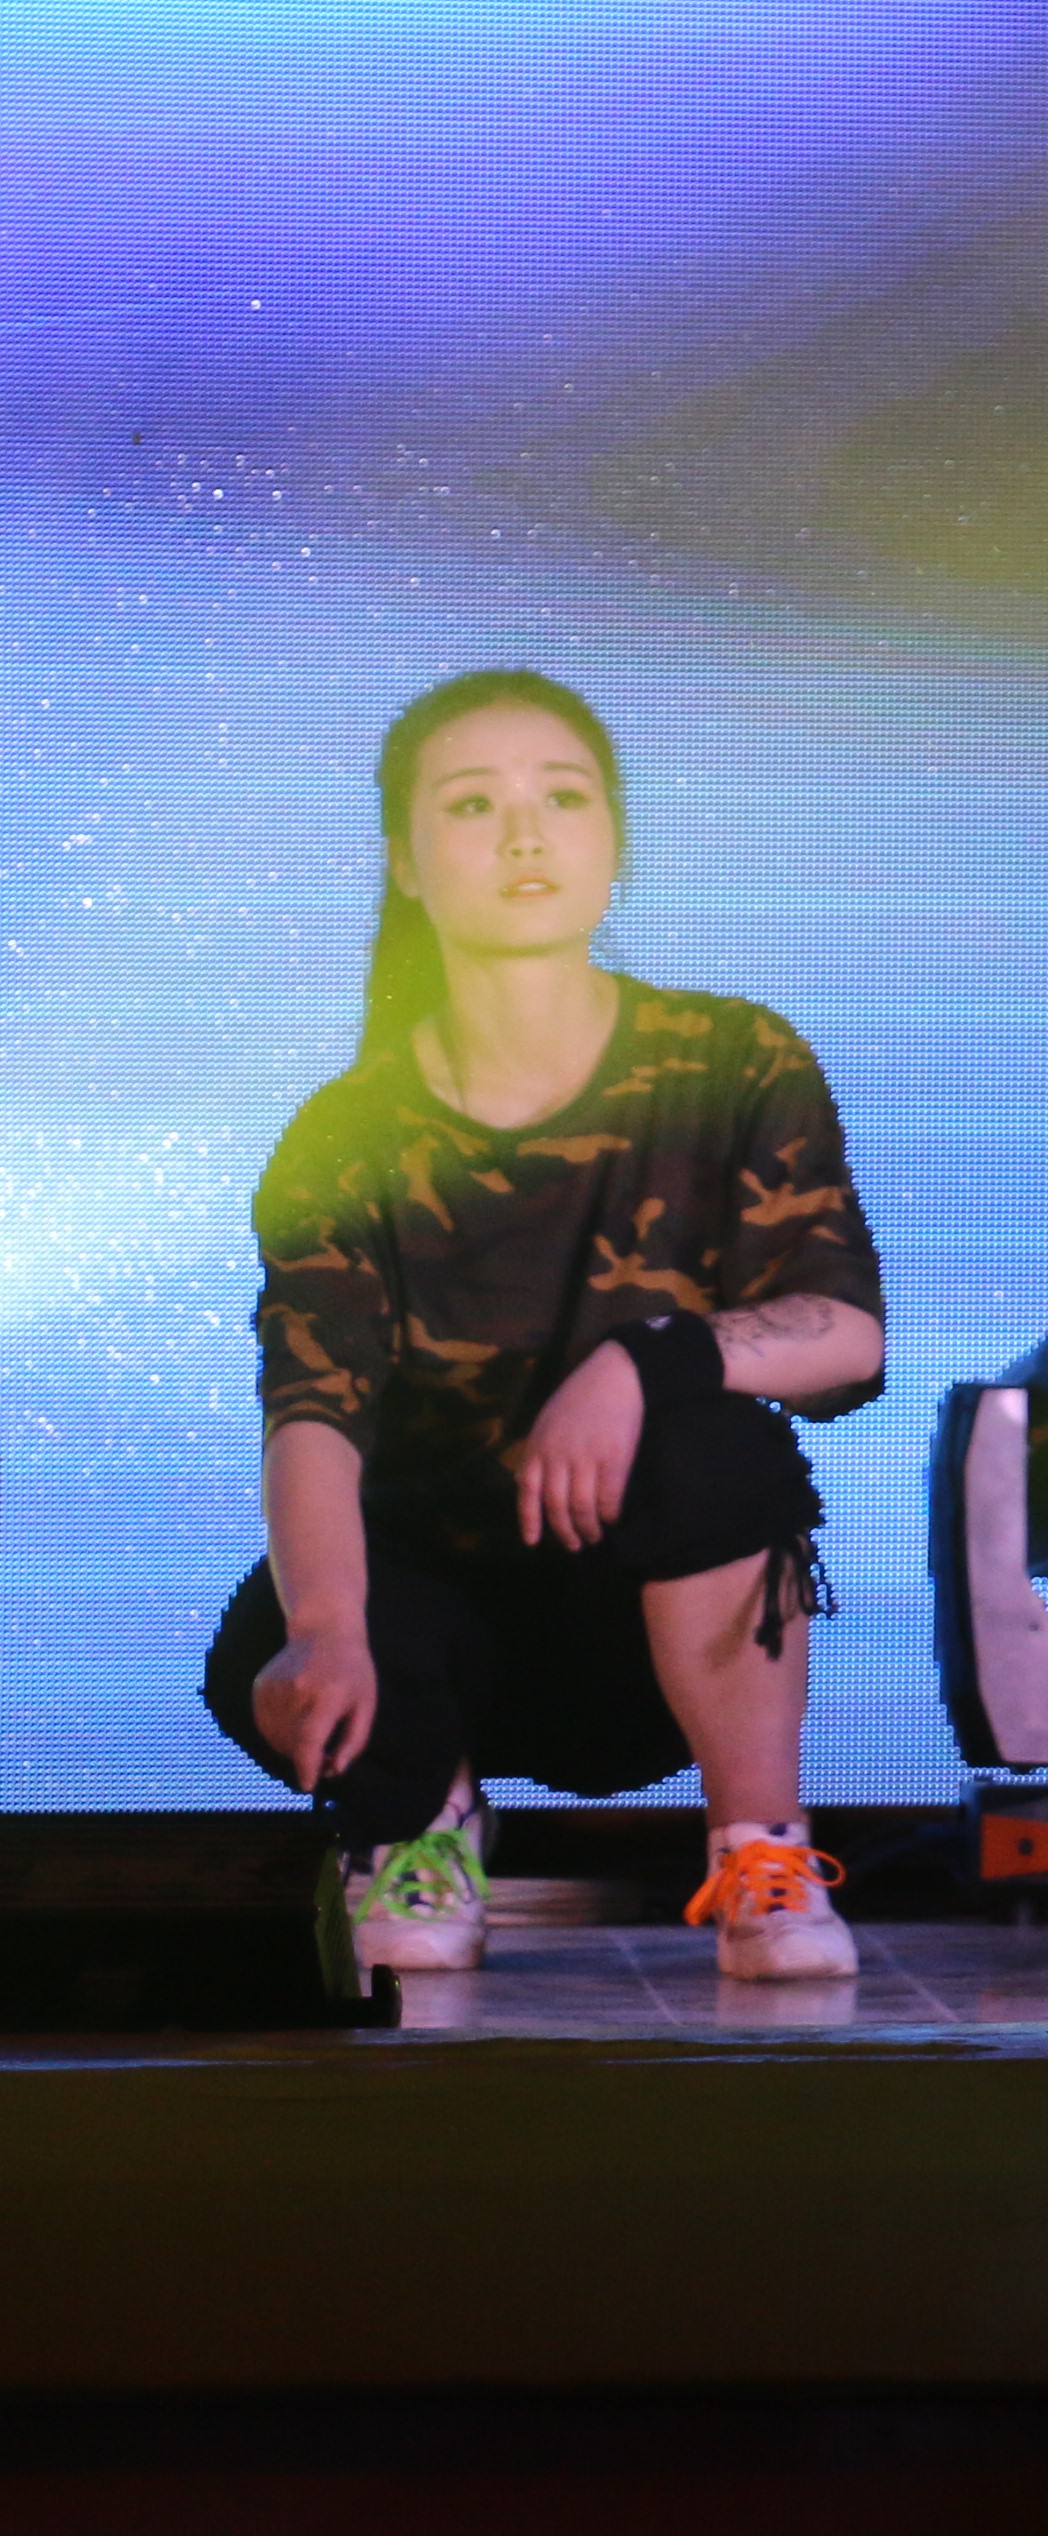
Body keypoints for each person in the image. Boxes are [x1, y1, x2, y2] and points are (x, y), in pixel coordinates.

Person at [207, 671, 889, 1986]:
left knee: (719, 1451)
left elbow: (846, 1336)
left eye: (563, 798)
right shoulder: (345, 1134)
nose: (525, 834)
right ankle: (426, 1828)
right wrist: (327, 1625)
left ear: (613, 838)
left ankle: (762, 1854)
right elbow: (313, 1411)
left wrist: (645, 1358)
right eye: (474, 805)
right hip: (447, 1630)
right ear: (407, 864)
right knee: (277, 1624)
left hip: (654, 1631)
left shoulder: (733, 1061)